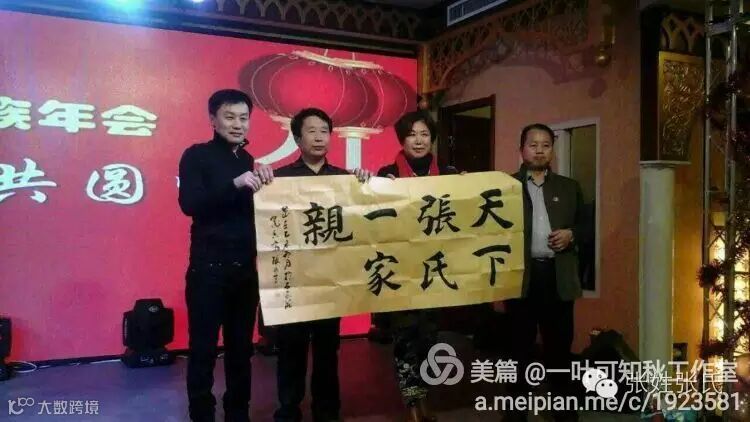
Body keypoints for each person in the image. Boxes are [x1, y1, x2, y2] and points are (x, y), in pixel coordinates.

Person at [267, 108, 372, 422]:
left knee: (328, 349)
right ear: (298, 138)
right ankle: (289, 409)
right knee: (291, 350)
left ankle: (326, 410)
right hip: (294, 279)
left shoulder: (344, 178)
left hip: (330, 279)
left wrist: (364, 184)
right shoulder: (278, 179)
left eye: (324, 131)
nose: (318, 137)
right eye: (311, 131)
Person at [178, 89, 273, 422]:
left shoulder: (247, 160)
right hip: (208, 271)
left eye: (244, 118)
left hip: (245, 271)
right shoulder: (196, 155)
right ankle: (201, 414)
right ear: (213, 120)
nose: (237, 124)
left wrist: (266, 186)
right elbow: (190, 204)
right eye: (229, 117)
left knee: (241, 351)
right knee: (203, 349)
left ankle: (237, 413)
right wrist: (234, 184)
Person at [378, 110, 459, 422]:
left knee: (429, 339)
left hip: (436, 272)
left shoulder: (449, 173)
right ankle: (412, 402)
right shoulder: (387, 174)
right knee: (405, 340)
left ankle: (424, 398)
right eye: (412, 134)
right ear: (402, 139)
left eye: (424, 134)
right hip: (401, 272)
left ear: (432, 139)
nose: (419, 140)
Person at [505, 123, 585, 422]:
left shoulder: (569, 187)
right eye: (533, 144)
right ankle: (515, 414)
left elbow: (586, 226)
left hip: (557, 277)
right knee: (518, 349)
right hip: (521, 279)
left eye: (546, 145)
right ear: (521, 149)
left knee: (559, 349)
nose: (539, 150)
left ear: (553, 149)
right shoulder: (505, 186)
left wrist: (572, 234)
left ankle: (563, 412)